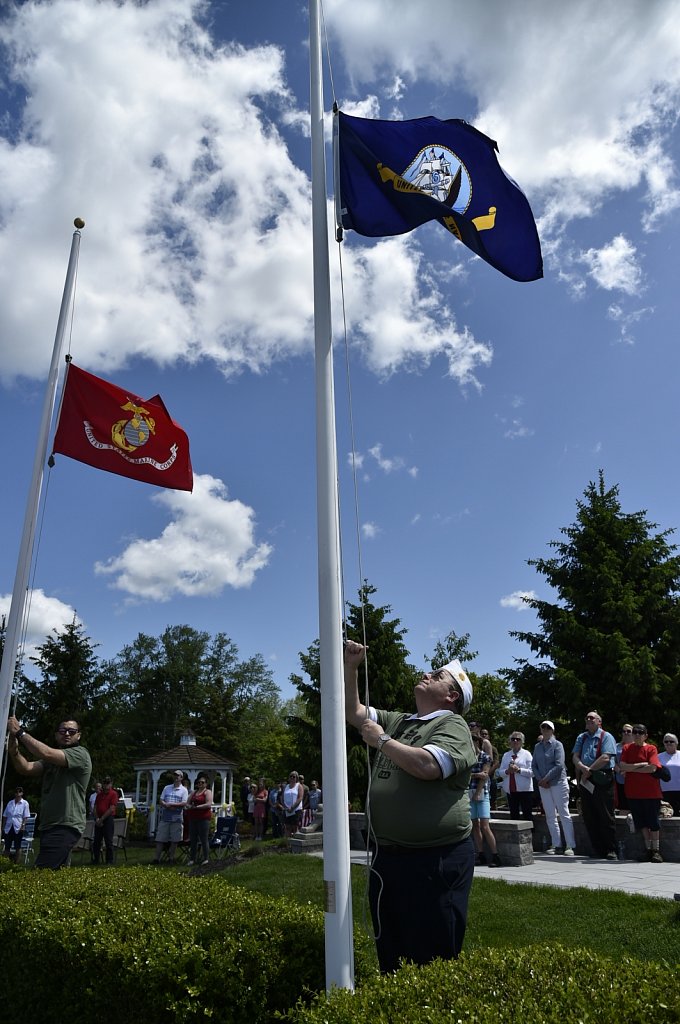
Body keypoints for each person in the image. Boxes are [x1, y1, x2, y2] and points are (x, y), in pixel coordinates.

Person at [344, 639, 476, 974]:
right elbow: (352, 712)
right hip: (391, 857)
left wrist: (382, 741)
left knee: (431, 953)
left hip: (434, 860)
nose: (427, 674)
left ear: (452, 696)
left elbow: (429, 766)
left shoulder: (452, 725)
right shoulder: (401, 721)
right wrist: (350, 667)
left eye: (438, 675)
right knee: (392, 947)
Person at [7, 715, 91, 869]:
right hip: (49, 826)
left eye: (72, 731)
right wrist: (14, 752)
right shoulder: (50, 762)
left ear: (79, 735)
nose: (67, 734)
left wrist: (20, 732)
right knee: (55, 875)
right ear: (57, 734)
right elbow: (25, 768)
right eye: (63, 730)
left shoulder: (80, 754)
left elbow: (47, 753)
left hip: (65, 825)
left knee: (40, 874)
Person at [572, 711, 617, 860]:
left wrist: (589, 770)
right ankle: (598, 849)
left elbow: (606, 757)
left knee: (605, 814)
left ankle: (611, 849)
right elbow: (575, 757)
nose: (589, 719)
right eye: (587, 718)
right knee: (589, 815)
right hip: (586, 778)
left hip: (602, 778)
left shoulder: (606, 736)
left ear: (599, 722)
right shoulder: (582, 737)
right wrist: (583, 769)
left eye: (592, 718)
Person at [618, 724, 663, 862]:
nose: (637, 734)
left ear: (646, 735)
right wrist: (640, 765)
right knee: (641, 823)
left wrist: (631, 769)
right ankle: (648, 850)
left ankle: (656, 851)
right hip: (633, 793)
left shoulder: (651, 748)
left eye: (640, 732)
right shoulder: (627, 748)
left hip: (651, 793)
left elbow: (653, 768)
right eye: (635, 732)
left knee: (653, 823)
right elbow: (622, 766)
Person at [532, 722, 575, 855]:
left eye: (548, 727)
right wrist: (540, 779)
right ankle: (557, 844)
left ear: (552, 730)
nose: (545, 729)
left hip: (558, 782)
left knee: (564, 813)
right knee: (550, 815)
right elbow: (534, 765)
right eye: (543, 727)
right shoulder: (537, 746)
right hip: (543, 785)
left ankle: (570, 845)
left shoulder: (558, 745)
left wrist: (545, 779)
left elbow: (559, 765)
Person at [469, 735, 501, 867]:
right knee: (474, 825)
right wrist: (476, 774)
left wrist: (477, 792)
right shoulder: (468, 757)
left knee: (484, 826)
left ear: (477, 742)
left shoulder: (485, 757)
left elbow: (485, 776)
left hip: (482, 794)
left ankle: (495, 856)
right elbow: (465, 774)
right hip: (469, 793)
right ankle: (480, 854)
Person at [152, 770, 188, 865]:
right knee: (160, 839)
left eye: (178, 776)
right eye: (175, 775)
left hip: (176, 818)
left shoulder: (184, 790)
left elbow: (184, 802)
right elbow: (161, 800)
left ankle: (171, 859)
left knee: (174, 840)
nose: (176, 777)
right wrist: (165, 804)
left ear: (181, 778)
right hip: (165, 817)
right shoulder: (167, 788)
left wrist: (172, 804)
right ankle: (156, 859)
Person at [499, 732, 534, 820]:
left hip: (524, 790)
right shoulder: (506, 755)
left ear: (522, 742)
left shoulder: (527, 754)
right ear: (510, 741)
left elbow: (532, 772)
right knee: (514, 814)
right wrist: (507, 771)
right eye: (513, 739)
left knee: (527, 814)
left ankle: (530, 833)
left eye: (518, 739)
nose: (515, 741)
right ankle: (515, 834)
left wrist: (518, 770)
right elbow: (500, 772)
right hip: (510, 789)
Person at [92, 776, 119, 865]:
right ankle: (96, 859)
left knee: (108, 841)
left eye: (108, 783)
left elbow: (111, 808)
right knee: (96, 841)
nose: (106, 784)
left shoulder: (113, 794)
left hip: (108, 819)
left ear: (111, 784)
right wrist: (97, 819)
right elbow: (95, 807)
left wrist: (102, 819)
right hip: (98, 818)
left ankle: (109, 860)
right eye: (105, 783)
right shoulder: (99, 795)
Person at [186, 775, 213, 865]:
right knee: (193, 839)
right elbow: (187, 803)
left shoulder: (207, 792)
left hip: (203, 818)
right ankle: (192, 859)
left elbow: (208, 804)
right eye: (199, 782)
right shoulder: (193, 792)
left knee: (203, 838)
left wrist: (197, 807)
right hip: (193, 818)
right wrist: (189, 806)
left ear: (206, 784)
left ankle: (206, 858)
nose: (200, 784)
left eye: (202, 782)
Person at [2, 786, 30, 862]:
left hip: (18, 827)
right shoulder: (10, 803)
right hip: (9, 827)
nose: (18, 793)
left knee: (17, 847)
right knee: (7, 846)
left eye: (20, 792)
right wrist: (3, 827)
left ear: (22, 793)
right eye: (16, 792)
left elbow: (25, 816)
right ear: (14, 793)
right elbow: (5, 815)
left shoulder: (25, 803)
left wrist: (23, 826)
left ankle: (16, 864)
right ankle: (5, 863)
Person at [658, 734, 680, 815]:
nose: (668, 743)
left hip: (679, 790)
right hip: (664, 792)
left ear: (677, 743)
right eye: (666, 741)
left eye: (671, 741)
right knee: (666, 816)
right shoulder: (658, 757)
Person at [614, 725, 633, 811]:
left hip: (633, 779)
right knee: (622, 804)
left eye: (628, 731)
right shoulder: (616, 746)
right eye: (623, 731)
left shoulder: (636, 746)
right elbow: (611, 761)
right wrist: (620, 771)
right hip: (619, 778)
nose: (626, 733)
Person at [480, 728, 500, 810]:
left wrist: (488, 772)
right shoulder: (478, 748)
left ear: (488, 736)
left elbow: (496, 763)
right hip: (480, 774)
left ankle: (494, 806)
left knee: (493, 790)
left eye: (486, 734)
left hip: (491, 775)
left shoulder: (493, 748)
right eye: (482, 734)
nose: (484, 735)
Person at [281, 772, 304, 836]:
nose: (292, 778)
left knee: (295, 827)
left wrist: (292, 807)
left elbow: (300, 798)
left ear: (296, 778)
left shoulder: (299, 786)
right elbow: (282, 798)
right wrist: (285, 807)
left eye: (294, 776)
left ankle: (295, 843)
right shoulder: (286, 786)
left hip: (296, 810)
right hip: (287, 810)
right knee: (287, 827)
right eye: (291, 776)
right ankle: (287, 843)